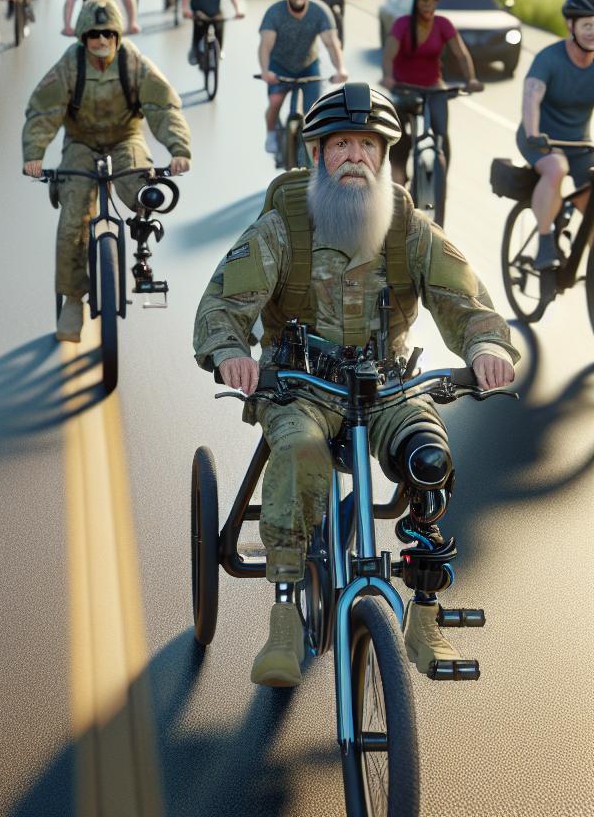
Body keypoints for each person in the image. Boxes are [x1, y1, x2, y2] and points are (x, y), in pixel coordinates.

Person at [193, 82, 517, 687]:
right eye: (341, 144)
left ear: (384, 156)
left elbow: (464, 299)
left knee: (428, 458)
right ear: (317, 155)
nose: (354, 158)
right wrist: (231, 351)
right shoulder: (281, 225)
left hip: (389, 388)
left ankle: (424, 615)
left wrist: (487, 345)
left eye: (367, 145)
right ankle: (284, 615)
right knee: (299, 454)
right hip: (300, 386)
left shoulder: (409, 228)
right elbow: (223, 304)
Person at [22, 0, 191, 342]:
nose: (101, 40)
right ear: (83, 37)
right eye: (94, 33)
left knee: (143, 193)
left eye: (108, 33)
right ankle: (72, 299)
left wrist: (178, 149)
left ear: (117, 35)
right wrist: (34, 154)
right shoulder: (71, 64)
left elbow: (163, 105)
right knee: (73, 215)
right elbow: (44, 109)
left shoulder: (134, 64)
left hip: (125, 139)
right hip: (80, 144)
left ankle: (143, 251)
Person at [515, 0, 594, 269]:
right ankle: (545, 241)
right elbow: (531, 98)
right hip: (540, 138)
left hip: (580, 143)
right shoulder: (549, 58)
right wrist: (535, 133)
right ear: (570, 26)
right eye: (587, 25)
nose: (592, 32)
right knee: (556, 167)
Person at [381, 0, 483, 187]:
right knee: (400, 136)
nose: (428, 4)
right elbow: (388, 55)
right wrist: (388, 77)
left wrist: (470, 79)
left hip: (433, 85)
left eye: (433, 0)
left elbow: (461, 54)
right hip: (404, 86)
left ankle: (440, 176)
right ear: (416, 2)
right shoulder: (402, 24)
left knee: (441, 132)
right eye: (424, 0)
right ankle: (398, 176)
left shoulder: (443, 24)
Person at [258, 0, 347, 156]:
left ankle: (312, 151)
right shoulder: (275, 12)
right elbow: (265, 45)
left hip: (309, 65)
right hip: (279, 66)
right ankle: (271, 133)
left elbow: (331, 43)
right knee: (275, 100)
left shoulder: (320, 11)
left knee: (313, 111)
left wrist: (340, 69)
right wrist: (265, 71)